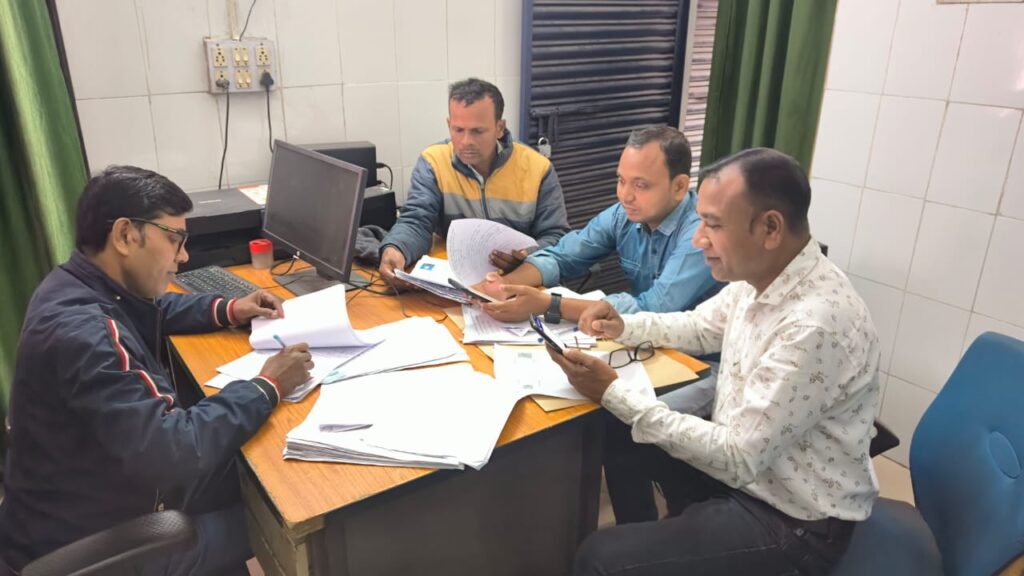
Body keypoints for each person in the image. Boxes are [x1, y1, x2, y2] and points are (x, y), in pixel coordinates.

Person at [547, 148, 881, 575]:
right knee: (621, 433)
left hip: (793, 519)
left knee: (599, 559)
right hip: (752, 476)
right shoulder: (762, 278)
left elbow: (738, 457)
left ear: (770, 228)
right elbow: (701, 327)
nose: (698, 239)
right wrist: (623, 326)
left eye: (714, 225)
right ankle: (654, 549)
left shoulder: (814, 325)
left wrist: (612, 391)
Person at [0, 166, 313, 576]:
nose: (183, 256)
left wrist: (230, 308)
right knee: (285, 519)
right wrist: (266, 385)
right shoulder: (87, 337)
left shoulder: (75, 287)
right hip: (99, 544)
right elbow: (175, 450)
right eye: (174, 239)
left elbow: (151, 307)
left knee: (259, 469)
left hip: (100, 492)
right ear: (126, 235)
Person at [478, 125, 718, 324]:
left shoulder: (702, 233)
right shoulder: (622, 215)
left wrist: (549, 305)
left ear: (679, 187)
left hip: (698, 359)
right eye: (621, 180)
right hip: (646, 341)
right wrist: (502, 285)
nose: (625, 196)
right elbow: (563, 256)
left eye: (641, 185)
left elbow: (654, 308)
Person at [378, 77, 570, 283]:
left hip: (521, 282)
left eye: (478, 131)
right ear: (449, 124)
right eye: (458, 130)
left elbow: (556, 236)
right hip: (457, 280)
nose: (466, 141)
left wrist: (527, 257)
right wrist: (396, 249)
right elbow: (417, 221)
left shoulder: (537, 168)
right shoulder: (433, 161)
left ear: (500, 128)